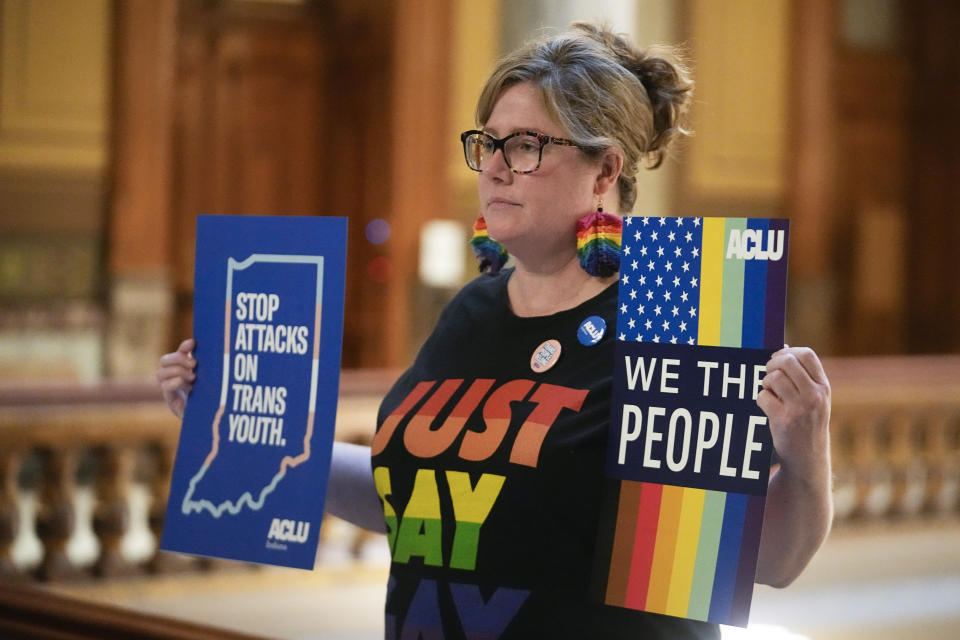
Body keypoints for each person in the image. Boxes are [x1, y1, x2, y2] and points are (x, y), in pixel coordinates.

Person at [158, 22, 832, 639]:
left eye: (527, 145)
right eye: (488, 143)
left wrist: (804, 447)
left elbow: (771, 560)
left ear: (605, 170)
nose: (495, 167)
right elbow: (412, 495)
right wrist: (237, 419)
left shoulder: (680, 315)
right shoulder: (472, 311)